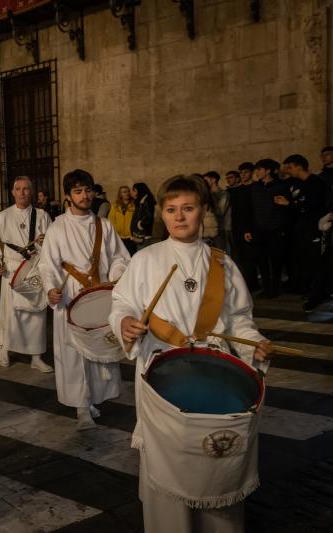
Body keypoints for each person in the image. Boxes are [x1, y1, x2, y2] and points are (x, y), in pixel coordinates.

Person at [110, 175, 273, 533]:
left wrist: (254, 344)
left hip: (215, 377)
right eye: (171, 209)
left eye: (187, 208)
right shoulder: (145, 259)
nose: (179, 216)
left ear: (202, 212)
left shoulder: (223, 263)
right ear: (162, 214)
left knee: (215, 466)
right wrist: (124, 322)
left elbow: (239, 320)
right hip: (161, 374)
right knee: (169, 471)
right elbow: (122, 303)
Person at [40, 169, 130, 429]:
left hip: (100, 294)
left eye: (88, 190)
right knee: (75, 353)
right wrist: (51, 289)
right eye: (78, 191)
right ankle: (81, 406)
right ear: (68, 196)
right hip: (71, 296)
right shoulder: (58, 227)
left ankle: (94, 398)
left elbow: (120, 258)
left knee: (99, 348)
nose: (85, 195)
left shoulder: (105, 225)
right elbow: (47, 265)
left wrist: (115, 277)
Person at [0, 176, 53, 372]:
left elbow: (52, 245)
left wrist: (43, 242)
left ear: (31, 192)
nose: (22, 192)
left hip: (34, 270)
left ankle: (36, 356)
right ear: (13, 192)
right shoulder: (3, 216)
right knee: (10, 313)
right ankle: (4, 348)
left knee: (36, 313)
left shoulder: (42, 216)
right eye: (18, 189)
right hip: (11, 271)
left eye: (26, 189)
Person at [281, 154, 327, 302]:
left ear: (299, 166)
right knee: (303, 260)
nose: (288, 171)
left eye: (290, 167)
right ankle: (306, 288)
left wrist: (289, 205)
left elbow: (313, 206)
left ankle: (319, 291)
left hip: (314, 227)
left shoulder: (316, 182)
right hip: (300, 228)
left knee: (315, 260)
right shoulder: (295, 183)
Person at [250, 159, 290, 298]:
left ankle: (274, 289)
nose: (257, 172)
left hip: (275, 229)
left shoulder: (280, 186)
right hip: (259, 229)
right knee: (262, 261)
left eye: (259, 169)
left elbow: (284, 210)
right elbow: (252, 209)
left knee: (276, 261)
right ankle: (266, 288)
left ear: (268, 170)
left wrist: (280, 226)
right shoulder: (255, 187)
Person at [203, 171, 231, 253]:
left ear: (214, 180)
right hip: (212, 230)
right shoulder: (209, 195)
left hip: (223, 228)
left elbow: (220, 212)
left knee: (222, 253)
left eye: (206, 180)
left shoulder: (224, 194)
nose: (204, 182)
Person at [108, 185, 136, 256]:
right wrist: (116, 229)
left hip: (131, 236)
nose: (127, 193)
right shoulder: (115, 205)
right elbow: (111, 218)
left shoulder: (134, 204)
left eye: (128, 191)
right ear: (120, 194)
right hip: (119, 236)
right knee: (121, 256)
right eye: (124, 192)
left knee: (131, 255)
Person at [130, 182, 156, 249]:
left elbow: (149, 217)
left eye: (134, 190)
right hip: (140, 235)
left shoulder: (146, 202)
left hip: (144, 236)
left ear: (140, 191)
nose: (131, 192)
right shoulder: (141, 201)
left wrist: (140, 225)